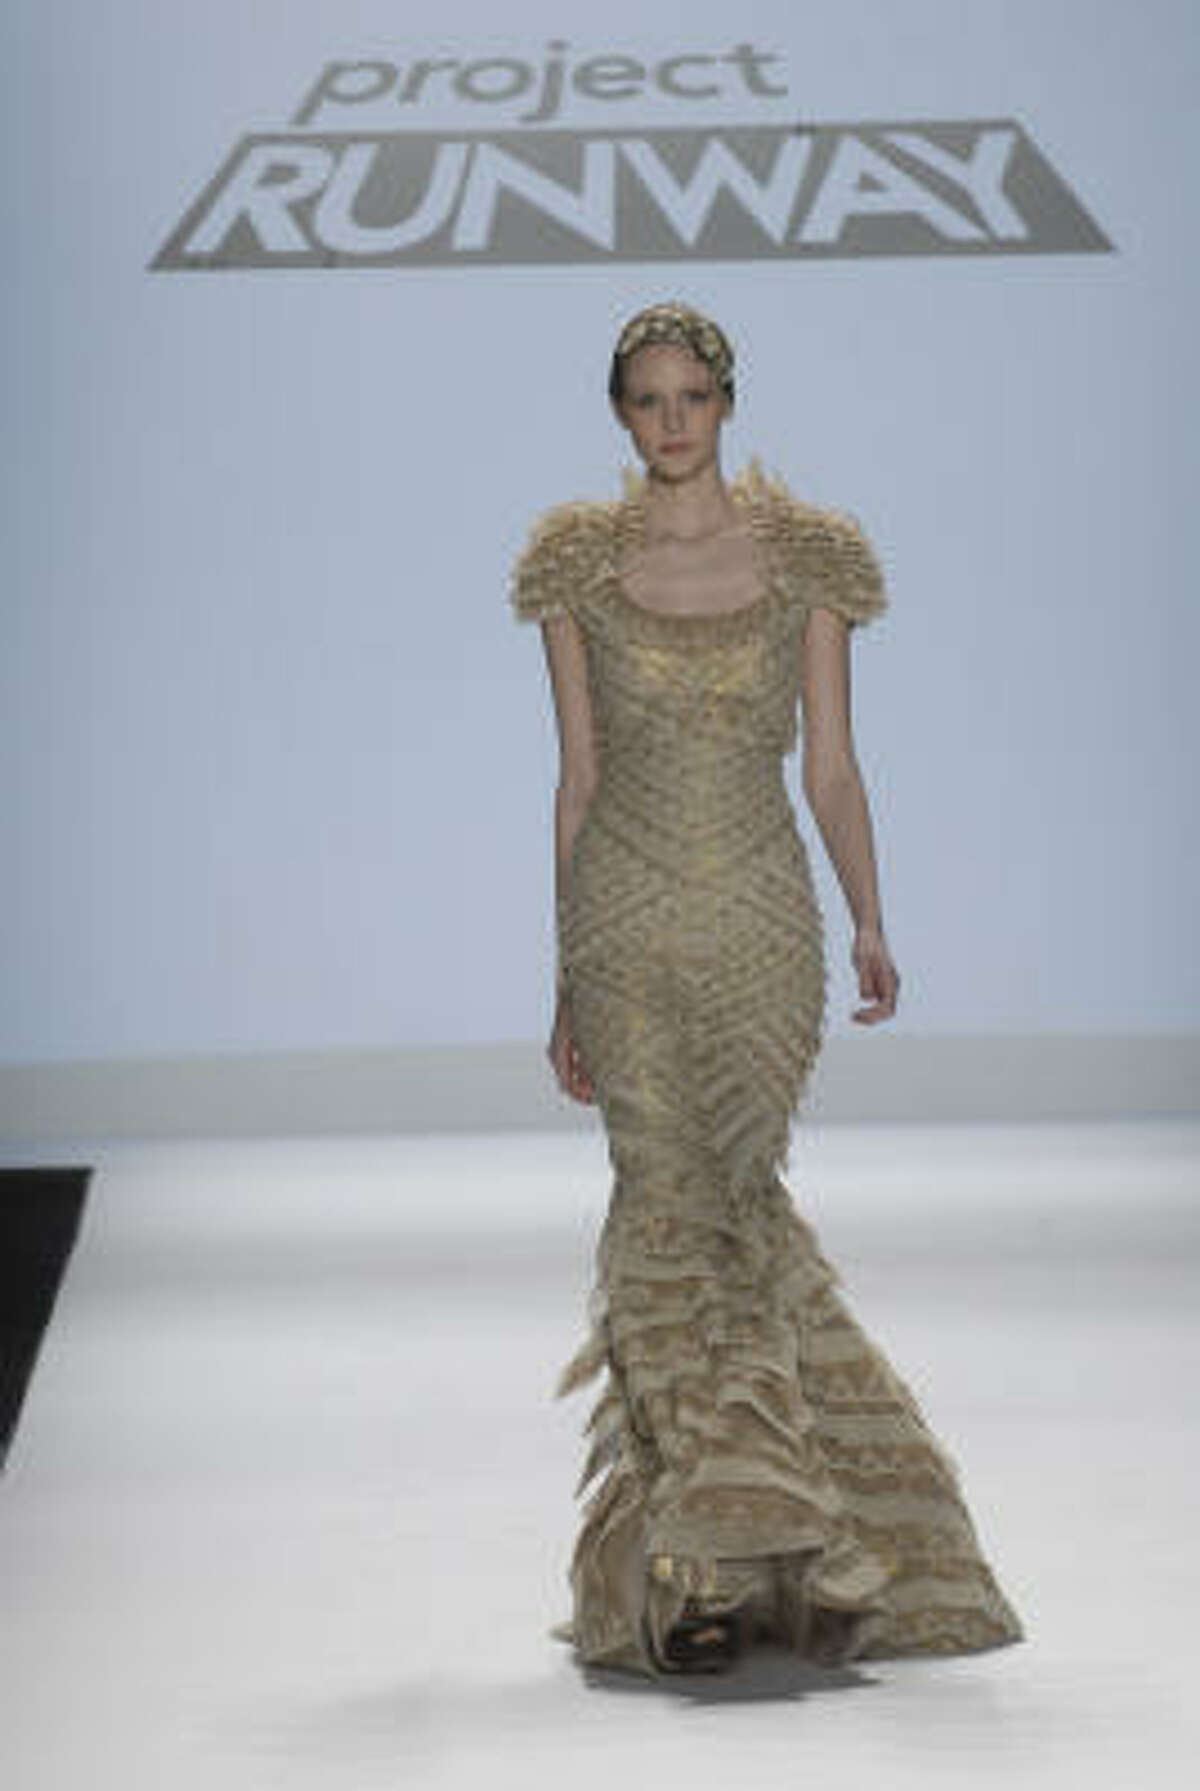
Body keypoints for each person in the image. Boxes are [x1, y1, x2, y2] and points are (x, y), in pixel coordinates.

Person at [510, 300, 1023, 1678]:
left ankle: (759, 1543)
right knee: (661, 1213)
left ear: (728, 403)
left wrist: (871, 917)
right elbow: (577, 781)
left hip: (759, 930)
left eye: (692, 397)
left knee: (733, 1211)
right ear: (620, 413)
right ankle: (705, 1567)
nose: (671, 422)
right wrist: (564, 979)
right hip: (621, 927)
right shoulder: (573, 563)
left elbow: (832, 767)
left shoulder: (809, 557)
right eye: (647, 400)